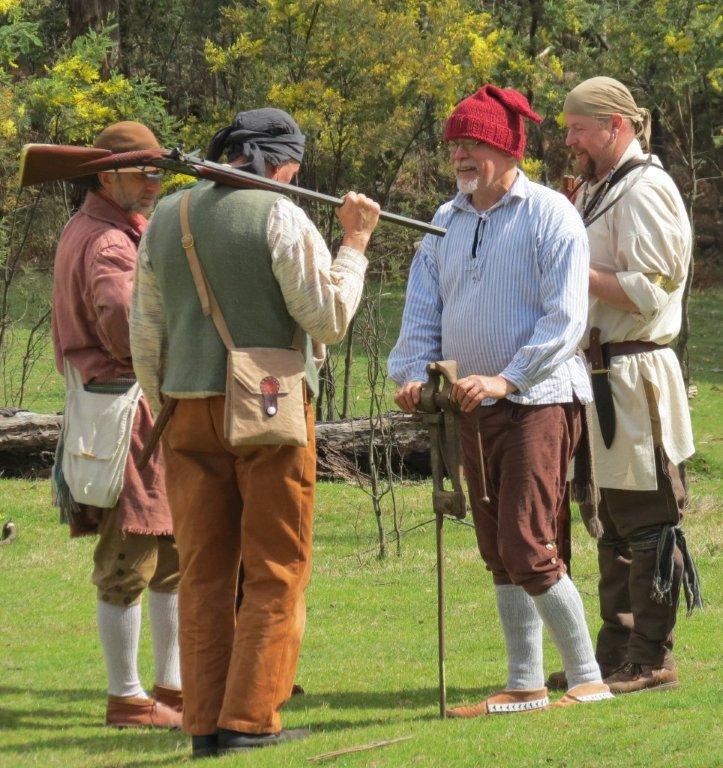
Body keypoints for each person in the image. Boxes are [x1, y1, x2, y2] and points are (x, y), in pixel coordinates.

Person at [130, 108, 380, 757]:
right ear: (278, 162)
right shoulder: (279, 215)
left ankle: (202, 723)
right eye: (293, 166)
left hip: (184, 409)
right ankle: (249, 719)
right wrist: (354, 244)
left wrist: (168, 403)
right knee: (275, 566)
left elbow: (146, 333)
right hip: (271, 411)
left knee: (203, 575)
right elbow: (327, 319)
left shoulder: (166, 215)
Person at [389, 84, 613, 714]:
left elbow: (566, 319)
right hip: (471, 406)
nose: (461, 155)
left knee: (525, 541)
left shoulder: (550, 215)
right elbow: (422, 311)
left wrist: (506, 378)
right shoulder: (444, 221)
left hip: (539, 400)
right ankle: (525, 682)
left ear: (508, 149)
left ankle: (588, 678)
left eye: (475, 143)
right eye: (455, 144)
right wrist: (412, 375)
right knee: (496, 547)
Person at [557, 76, 702, 694]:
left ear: (616, 125)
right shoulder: (602, 187)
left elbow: (650, 290)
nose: (570, 141)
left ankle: (652, 657)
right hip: (599, 374)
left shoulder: (646, 190)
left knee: (647, 520)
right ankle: (614, 654)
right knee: (612, 522)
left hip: (635, 376)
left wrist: (574, 265)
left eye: (579, 129)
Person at [51, 121, 182, 728]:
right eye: (144, 172)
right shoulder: (108, 242)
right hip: (127, 411)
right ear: (107, 176)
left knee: (169, 550)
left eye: (158, 172)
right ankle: (128, 697)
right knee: (129, 557)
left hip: (130, 408)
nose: (155, 182)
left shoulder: (107, 227)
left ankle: (171, 688)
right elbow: (127, 330)